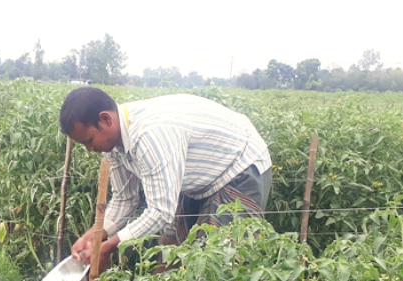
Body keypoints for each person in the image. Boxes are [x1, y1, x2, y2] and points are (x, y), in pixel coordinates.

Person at [59, 87, 272, 266]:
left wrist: (110, 246)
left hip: (239, 165)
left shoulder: (150, 136)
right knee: (172, 250)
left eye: (89, 140)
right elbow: (125, 199)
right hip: (200, 177)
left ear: (105, 119)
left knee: (220, 261)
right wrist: (94, 235)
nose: (89, 149)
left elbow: (160, 212)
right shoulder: (113, 144)